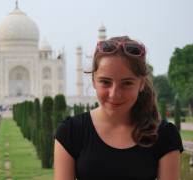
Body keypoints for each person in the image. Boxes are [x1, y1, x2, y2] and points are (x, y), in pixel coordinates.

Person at [54, 36, 184, 180]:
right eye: (105, 82)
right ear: (93, 81)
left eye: (126, 83)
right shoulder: (71, 132)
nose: (114, 94)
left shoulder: (164, 135)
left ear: (141, 84)